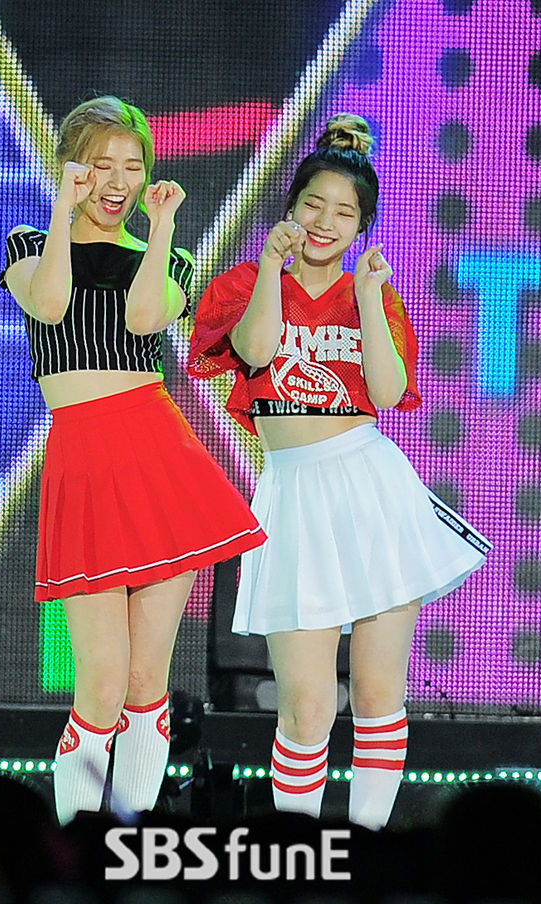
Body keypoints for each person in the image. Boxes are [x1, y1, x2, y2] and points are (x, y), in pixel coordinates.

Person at [188, 114, 490, 829]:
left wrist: (368, 299)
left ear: (362, 226)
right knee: (306, 705)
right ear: (291, 207)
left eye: (344, 213)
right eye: (313, 205)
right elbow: (255, 353)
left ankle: (367, 848)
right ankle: (300, 858)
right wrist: (271, 268)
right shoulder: (244, 284)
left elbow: (386, 392)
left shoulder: (372, 295)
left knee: (380, 693)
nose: (325, 223)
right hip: (293, 496)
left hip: (371, 489)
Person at [0, 96, 266, 825]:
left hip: (157, 456)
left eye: (132, 165)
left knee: (148, 679)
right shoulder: (30, 244)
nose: (117, 181)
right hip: (84, 460)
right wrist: (64, 209)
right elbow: (50, 304)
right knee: (101, 685)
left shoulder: (168, 256)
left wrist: (165, 226)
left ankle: (132, 846)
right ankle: (75, 848)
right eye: (100, 165)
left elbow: (145, 318)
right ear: (71, 168)